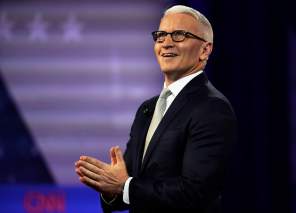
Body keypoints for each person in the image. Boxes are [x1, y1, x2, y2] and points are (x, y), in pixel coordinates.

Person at [75, 5, 236, 213]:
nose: (166, 43)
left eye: (179, 35)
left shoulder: (212, 108)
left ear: (205, 50)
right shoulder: (147, 109)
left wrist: (124, 186)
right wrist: (111, 189)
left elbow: (195, 193)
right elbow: (129, 188)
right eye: (160, 36)